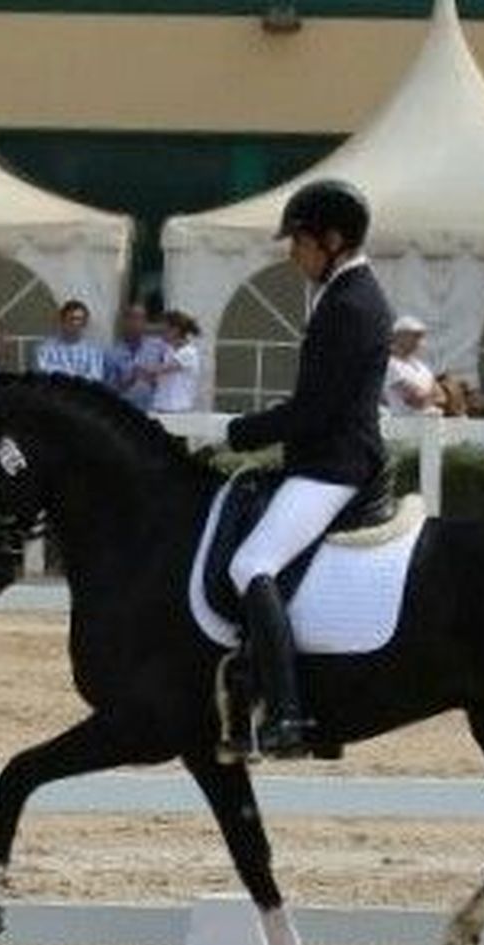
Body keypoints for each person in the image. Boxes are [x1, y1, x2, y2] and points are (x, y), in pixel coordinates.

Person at [223, 178, 392, 758]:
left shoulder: (349, 303)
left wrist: (242, 432)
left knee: (251, 564)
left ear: (334, 240)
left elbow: (315, 409)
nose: (292, 252)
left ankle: (290, 715)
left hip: (335, 467)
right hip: (328, 457)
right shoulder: (345, 293)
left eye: (299, 241)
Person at [105, 303, 168, 411]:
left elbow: (170, 377)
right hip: (124, 410)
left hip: (153, 409)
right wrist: (130, 379)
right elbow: (109, 389)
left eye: (140, 318)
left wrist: (153, 378)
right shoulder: (112, 352)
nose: (136, 323)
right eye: (132, 318)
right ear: (124, 321)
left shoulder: (159, 348)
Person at [381, 315, 445, 416]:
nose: (419, 341)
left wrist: (425, 396)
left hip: (428, 425)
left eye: (420, 336)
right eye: (414, 336)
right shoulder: (390, 364)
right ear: (399, 337)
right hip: (404, 425)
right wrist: (430, 395)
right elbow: (416, 400)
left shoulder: (421, 366)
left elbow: (441, 397)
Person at [35, 298, 106, 382]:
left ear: (85, 323)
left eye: (79, 319)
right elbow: (45, 376)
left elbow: (95, 378)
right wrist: (79, 376)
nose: (75, 323)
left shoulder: (94, 351)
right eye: (72, 319)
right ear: (62, 321)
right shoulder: (45, 349)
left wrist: (65, 374)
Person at [148, 309, 201, 414]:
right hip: (161, 406)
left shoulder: (189, 352)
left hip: (178, 408)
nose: (161, 331)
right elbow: (157, 379)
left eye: (165, 329)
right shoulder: (168, 351)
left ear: (175, 330)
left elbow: (165, 368)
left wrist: (145, 369)